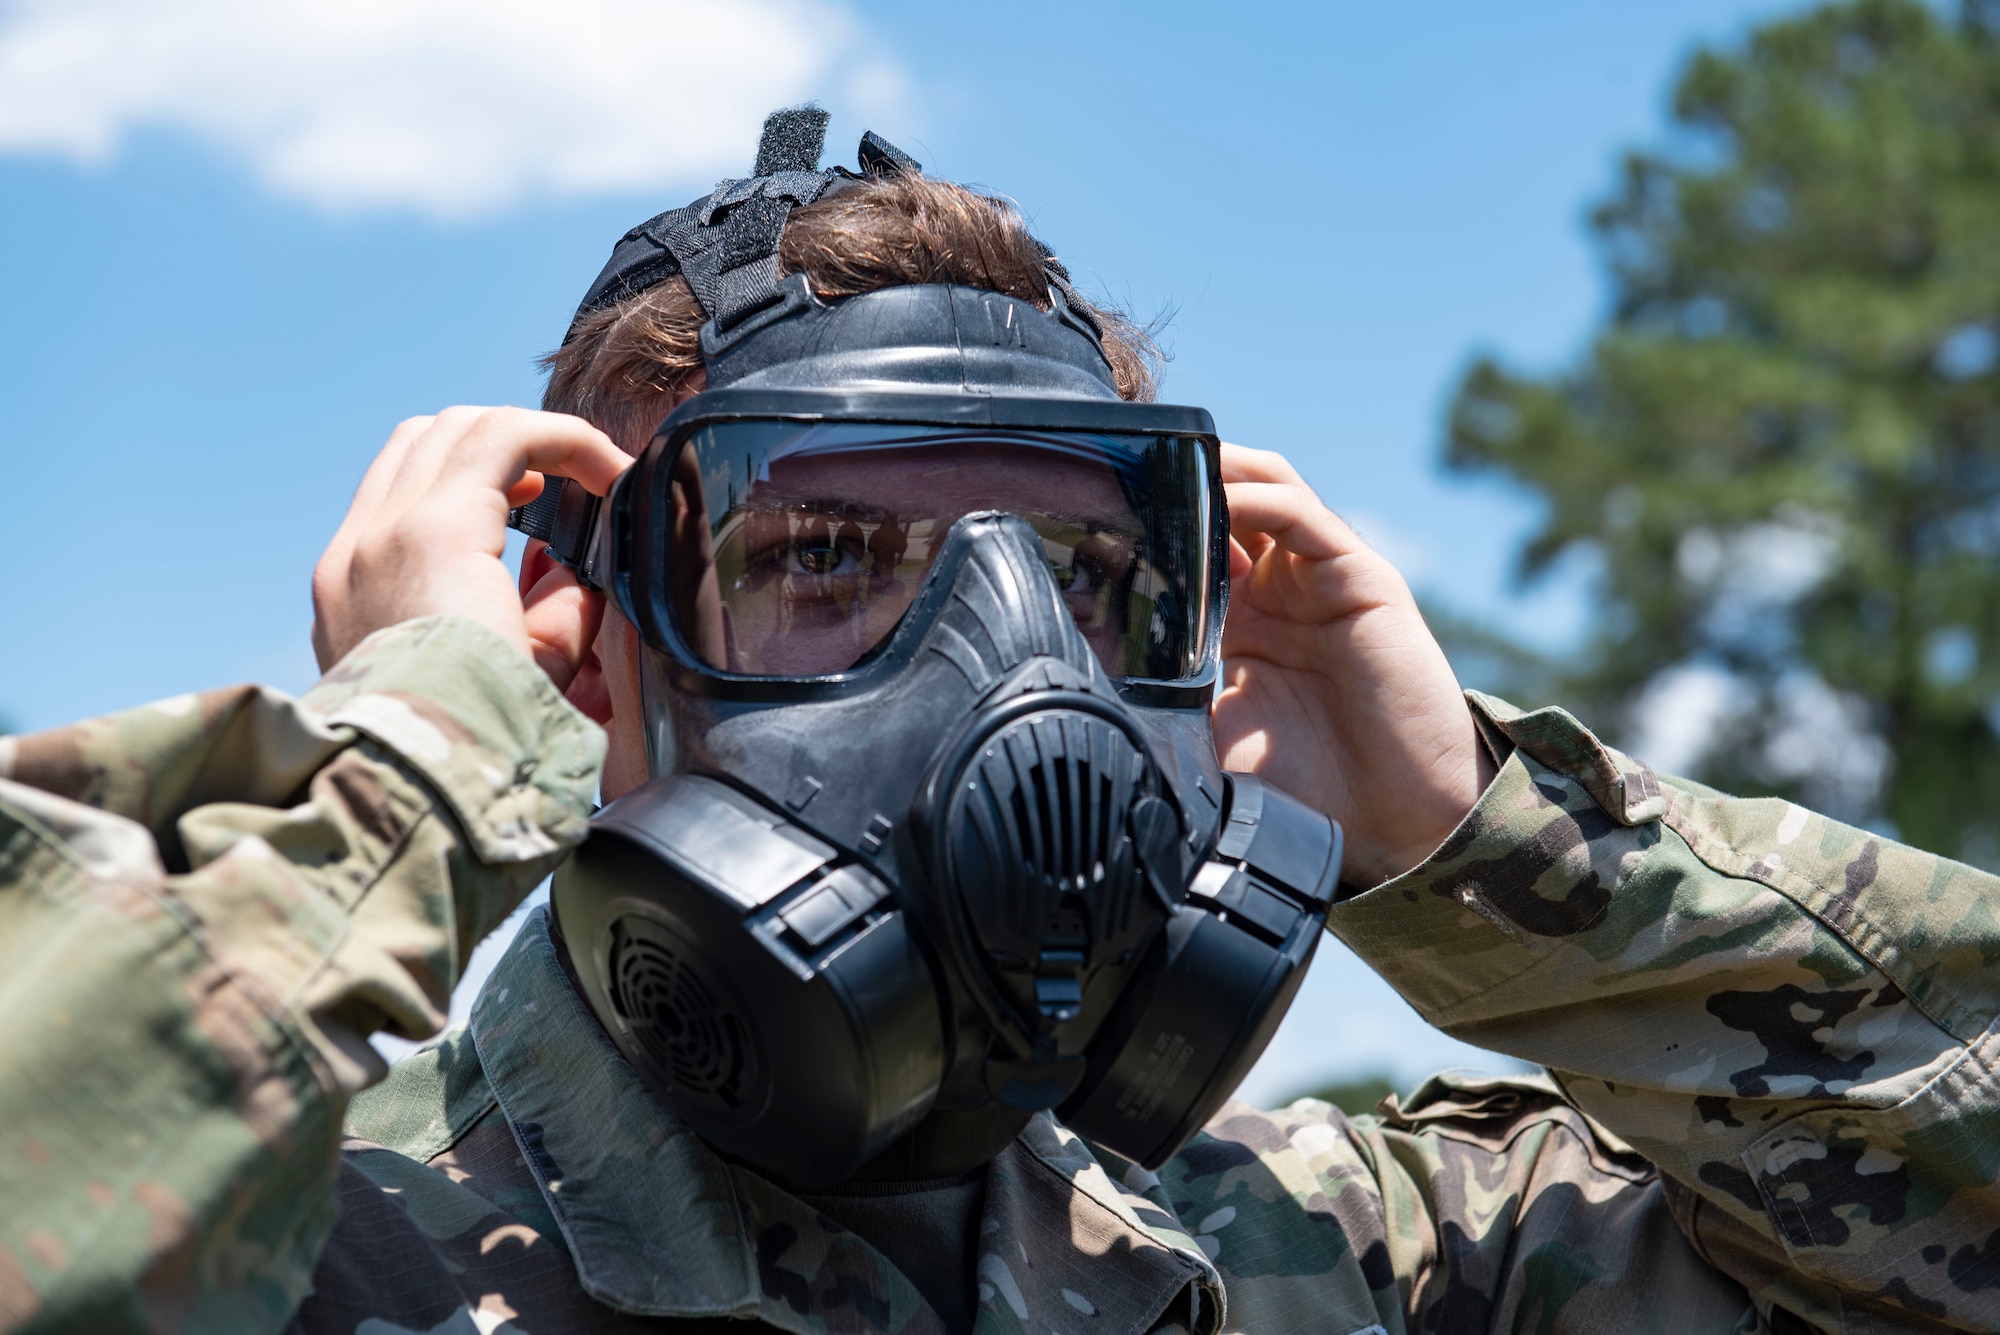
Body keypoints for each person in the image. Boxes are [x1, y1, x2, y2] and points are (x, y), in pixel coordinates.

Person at [1, 115, 1994, 1335]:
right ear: (579, 632)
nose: (1006, 667)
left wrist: (1499, 847)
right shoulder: (313, 1244)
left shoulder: (1333, 1254)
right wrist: (408, 764)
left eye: (1082, 577)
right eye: (827, 556)